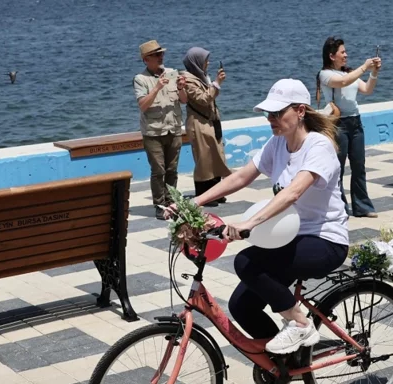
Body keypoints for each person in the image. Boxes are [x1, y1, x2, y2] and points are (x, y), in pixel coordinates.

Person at [183, 79, 349, 353]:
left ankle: (300, 324)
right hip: (291, 239)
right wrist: (193, 202)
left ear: (300, 111)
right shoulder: (278, 143)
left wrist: (249, 223)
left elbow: (293, 192)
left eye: (277, 113)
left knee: (247, 262)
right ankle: (286, 364)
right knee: (241, 306)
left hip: (325, 240)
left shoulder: (318, 146)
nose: (271, 119)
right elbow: (241, 177)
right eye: (268, 113)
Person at [317, 37, 380, 218]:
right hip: (339, 124)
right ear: (332, 56)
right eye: (342, 52)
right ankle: (338, 207)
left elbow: (367, 89)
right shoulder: (325, 74)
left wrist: (373, 73)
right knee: (338, 168)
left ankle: (362, 207)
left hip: (355, 122)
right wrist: (364, 67)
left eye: (345, 52)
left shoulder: (350, 73)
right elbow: (342, 82)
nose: (346, 55)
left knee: (359, 166)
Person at [134, 40, 184, 218]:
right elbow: (143, 105)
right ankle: (160, 205)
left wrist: (181, 87)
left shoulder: (172, 73)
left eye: (161, 53)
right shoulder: (140, 79)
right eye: (156, 55)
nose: (161, 57)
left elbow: (183, 100)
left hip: (173, 129)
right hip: (153, 132)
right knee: (158, 171)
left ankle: (172, 202)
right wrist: (157, 88)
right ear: (146, 59)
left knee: (172, 169)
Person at [177, 48, 232, 206]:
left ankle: (216, 193)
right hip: (199, 123)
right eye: (205, 60)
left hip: (211, 121)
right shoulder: (188, 80)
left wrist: (214, 84)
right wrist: (217, 83)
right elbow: (203, 99)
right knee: (204, 160)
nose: (208, 63)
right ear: (196, 62)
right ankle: (203, 195)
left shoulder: (201, 77)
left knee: (216, 156)